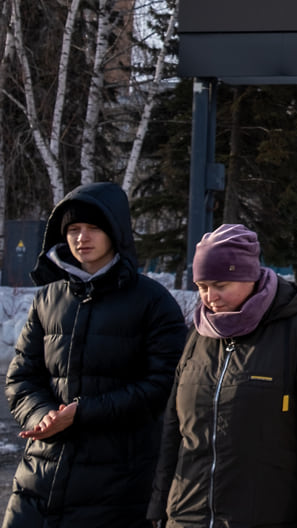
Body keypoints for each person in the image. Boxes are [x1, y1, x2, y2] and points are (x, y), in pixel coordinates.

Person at [5, 181, 187, 527]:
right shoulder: (48, 299)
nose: (81, 238)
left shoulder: (152, 301)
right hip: (40, 476)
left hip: (117, 482)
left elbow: (163, 385)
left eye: (93, 228)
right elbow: (22, 377)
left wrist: (84, 412)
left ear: (114, 231)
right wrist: (41, 416)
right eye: (73, 229)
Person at [148, 223, 297, 527]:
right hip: (188, 514)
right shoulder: (197, 337)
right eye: (202, 286)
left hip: (265, 513)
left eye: (221, 284)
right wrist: (160, 503)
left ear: (249, 276)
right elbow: (174, 431)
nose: (210, 297)